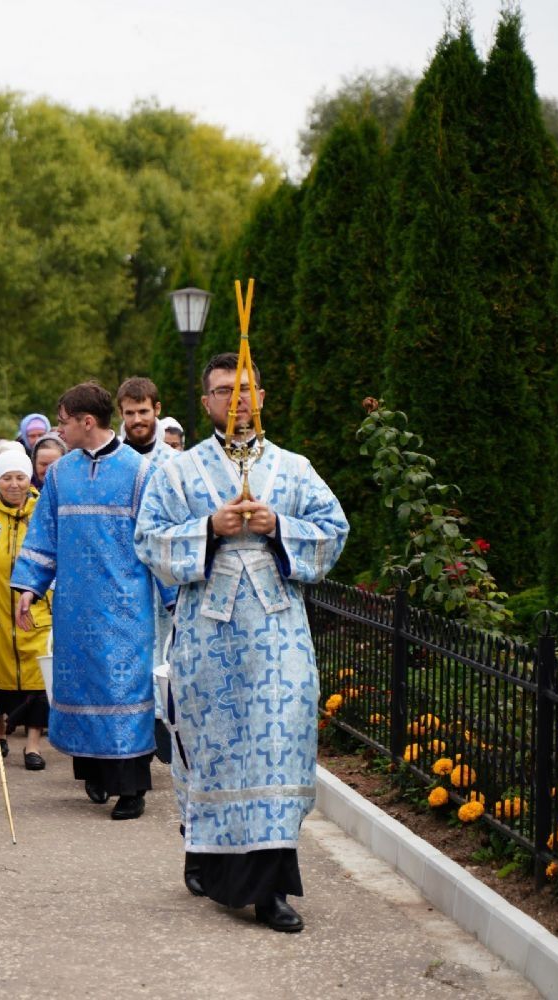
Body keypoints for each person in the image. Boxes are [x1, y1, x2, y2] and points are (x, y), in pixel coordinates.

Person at [135, 352, 348, 933]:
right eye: (224, 390)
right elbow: (148, 541)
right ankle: (205, 853)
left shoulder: (295, 469)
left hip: (279, 634)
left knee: (278, 745)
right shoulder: (178, 471)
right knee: (214, 752)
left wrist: (278, 526)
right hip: (208, 633)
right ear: (206, 401)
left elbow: (334, 532)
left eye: (246, 388)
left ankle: (271, 890)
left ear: (263, 396)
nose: (237, 400)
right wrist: (210, 528)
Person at [12, 380, 172, 821]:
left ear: (87, 421)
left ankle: (132, 788)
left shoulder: (140, 473)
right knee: (81, 686)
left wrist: (175, 600)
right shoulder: (60, 474)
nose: (59, 430)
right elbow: (44, 535)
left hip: (125, 609)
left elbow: (158, 543)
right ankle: (95, 774)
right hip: (74, 606)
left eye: (63, 422)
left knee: (123, 693)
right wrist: (29, 587)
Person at [0, 448, 49, 770]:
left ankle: (33, 745)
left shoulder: (43, 512)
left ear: (29, 478)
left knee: (38, 679)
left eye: (20, 477)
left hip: (37, 609)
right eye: (6, 477)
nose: (14, 484)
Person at [117, 376, 168, 462]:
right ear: (121, 413)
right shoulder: (109, 460)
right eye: (129, 413)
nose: (137, 420)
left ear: (157, 409)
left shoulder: (174, 461)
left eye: (143, 411)